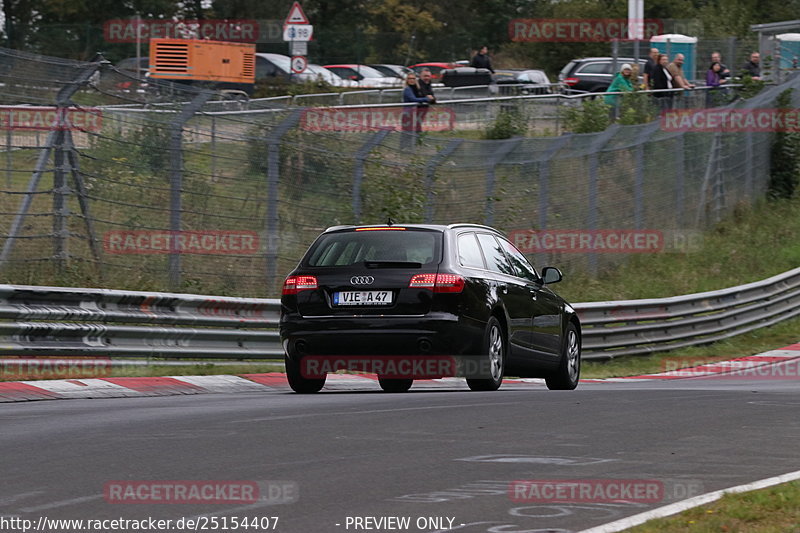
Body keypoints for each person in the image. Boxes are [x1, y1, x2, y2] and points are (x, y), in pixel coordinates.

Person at [401, 72, 432, 145]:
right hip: (408, 113)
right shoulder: (407, 89)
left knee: (418, 129)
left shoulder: (416, 89)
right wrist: (426, 99)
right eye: (410, 78)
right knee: (407, 132)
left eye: (413, 78)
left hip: (415, 113)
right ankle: (404, 148)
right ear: (407, 80)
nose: (412, 80)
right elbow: (413, 99)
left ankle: (418, 144)